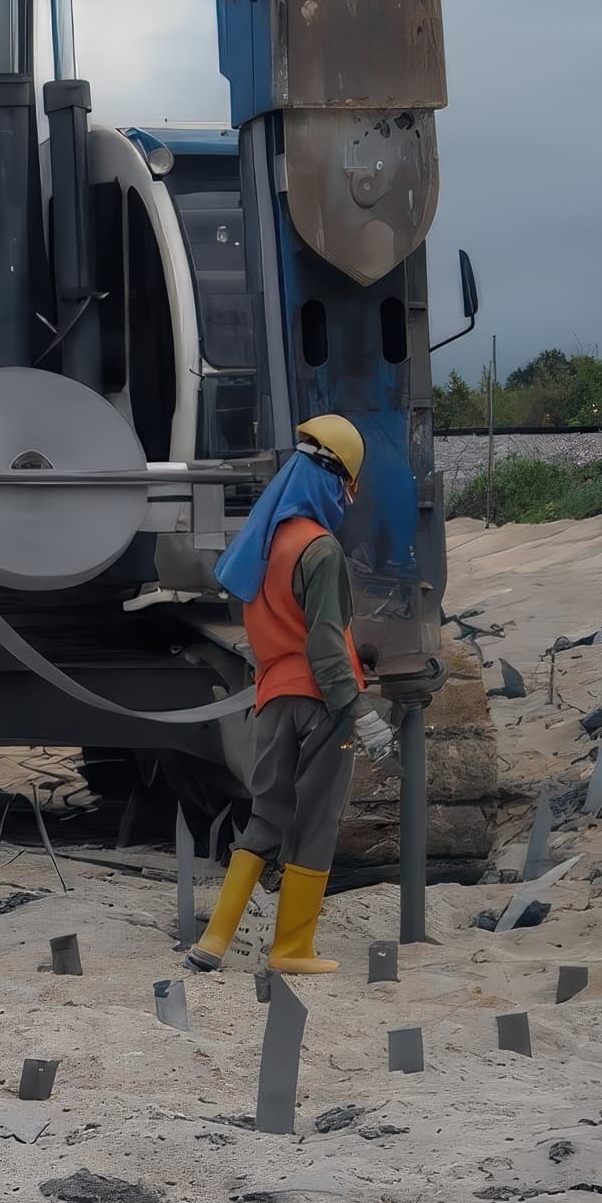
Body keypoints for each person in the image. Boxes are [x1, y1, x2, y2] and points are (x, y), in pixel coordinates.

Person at [188, 414, 396, 975]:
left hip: (272, 697)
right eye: (348, 488)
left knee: (267, 815)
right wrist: (361, 711)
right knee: (318, 820)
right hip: (321, 705)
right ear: (334, 482)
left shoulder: (266, 543)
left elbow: (284, 632)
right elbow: (325, 647)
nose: (349, 500)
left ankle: (213, 941)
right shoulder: (321, 549)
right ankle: (292, 949)